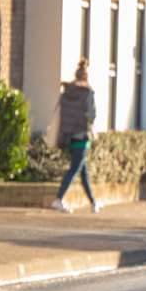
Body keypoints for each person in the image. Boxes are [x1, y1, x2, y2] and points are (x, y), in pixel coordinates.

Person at [51, 60, 99, 213]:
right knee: (74, 169)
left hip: (67, 136)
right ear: (86, 76)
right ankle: (59, 199)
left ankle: (93, 202)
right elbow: (92, 115)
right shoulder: (87, 93)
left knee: (82, 170)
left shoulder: (67, 91)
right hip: (81, 135)